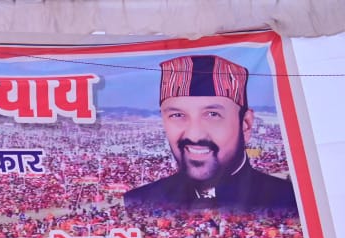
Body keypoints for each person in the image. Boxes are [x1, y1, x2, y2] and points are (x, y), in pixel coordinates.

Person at [124, 54, 298, 213]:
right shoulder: (141, 200)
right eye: (177, 115)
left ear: (245, 124)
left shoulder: (289, 200)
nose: (194, 135)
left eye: (212, 114)